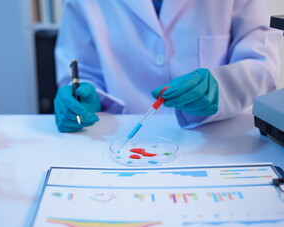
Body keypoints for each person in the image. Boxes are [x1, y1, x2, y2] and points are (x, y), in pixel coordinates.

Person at [54, 0, 280, 133]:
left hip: (217, 135)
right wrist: (83, 96)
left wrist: (223, 88)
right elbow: (79, 67)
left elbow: (263, 62)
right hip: (119, 133)